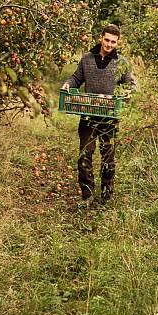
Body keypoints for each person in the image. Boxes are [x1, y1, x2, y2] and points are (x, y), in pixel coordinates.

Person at [61, 24, 136, 207]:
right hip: (88, 114)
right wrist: (68, 84)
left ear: (118, 42)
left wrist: (126, 94)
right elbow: (76, 79)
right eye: (107, 40)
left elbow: (131, 85)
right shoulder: (87, 59)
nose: (109, 44)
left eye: (113, 41)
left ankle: (106, 196)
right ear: (101, 38)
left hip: (110, 116)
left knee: (108, 157)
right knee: (84, 155)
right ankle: (87, 196)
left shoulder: (122, 63)